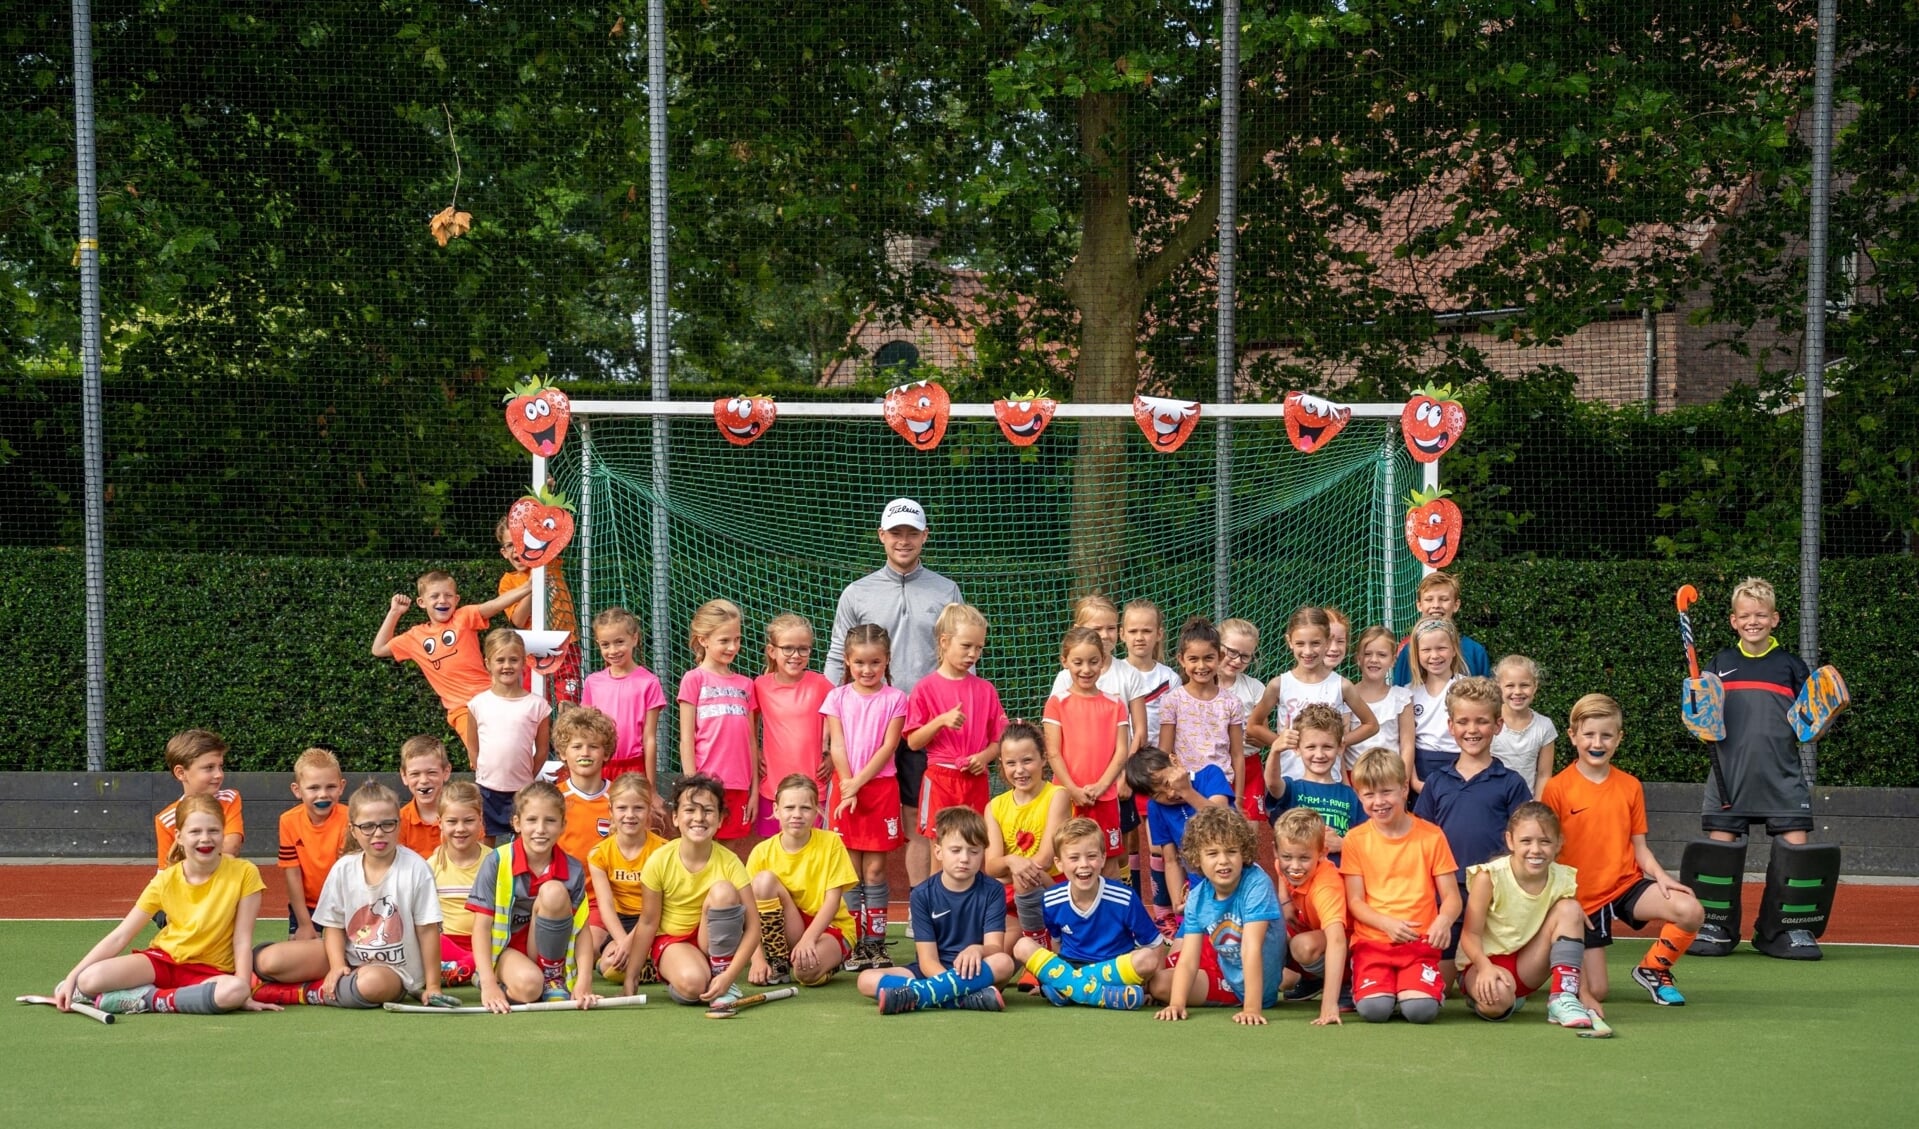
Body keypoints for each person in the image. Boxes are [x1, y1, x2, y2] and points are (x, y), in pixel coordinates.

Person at [1686, 577, 1841, 960]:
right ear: (1733, 621)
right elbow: (1701, 719)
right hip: (1728, 779)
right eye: (1744, 616)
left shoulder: (1790, 666)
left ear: (1775, 619)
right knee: (1717, 858)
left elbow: (1810, 729)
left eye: (1760, 615)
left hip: (1782, 777)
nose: (1752, 621)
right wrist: (1696, 714)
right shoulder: (1719, 664)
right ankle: (1716, 927)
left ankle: (1784, 932)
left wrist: (1824, 719)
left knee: (1797, 854)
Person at [823, 497, 963, 898]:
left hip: (925, 725)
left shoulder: (946, 589)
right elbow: (837, 655)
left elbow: (959, 653)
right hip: (865, 728)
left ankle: (922, 905)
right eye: (896, 533)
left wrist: (962, 708)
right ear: (882, 536)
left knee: (920, 818)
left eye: (912, 533)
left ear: (925, 537)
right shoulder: (856, 592)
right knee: (857, 811)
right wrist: (828, 725)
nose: (904, 541)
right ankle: (851, 919)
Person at [1541, 693, 1704, 1010]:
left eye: (1606, 735)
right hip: (1581, 898)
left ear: (1619, 738)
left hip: (1626, 886)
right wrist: (1563, 901)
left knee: (1690, 910)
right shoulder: (1556, 789)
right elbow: (1549, 855)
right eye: (1588, 734)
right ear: (1573, 736)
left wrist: (1661, 877)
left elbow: (1639, 847)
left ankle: (1654, 969)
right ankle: (1559, 961)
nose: (1597, 742)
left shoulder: (1630, 786)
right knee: (1597, 991)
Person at [53, 794, 271, 1016]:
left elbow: (242, 939)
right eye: (195, 832)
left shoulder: (245, 872)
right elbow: (121, 935)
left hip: (210, 972)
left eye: (213, 830)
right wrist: (73, 976)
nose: (205, 838)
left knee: (234, 990)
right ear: (179, 837)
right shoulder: (165, 880)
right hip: (162, 963)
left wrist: (245, 993)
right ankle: (160, 996)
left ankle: (147, 998)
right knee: (89, 979)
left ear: (223, 833)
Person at [252, 781, 447, 1008]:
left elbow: (428, 931)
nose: (378, 833)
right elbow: (333, 926)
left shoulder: (416, 868)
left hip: (394, 971)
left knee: (371, 984)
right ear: (353, 829)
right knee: (268, 961)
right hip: (347, 956)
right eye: (368, 826)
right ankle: (278, 984)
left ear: (399, 824)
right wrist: (336, 966)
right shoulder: (344, 868)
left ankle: (306, 993)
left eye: (387, 824)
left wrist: (432, 987)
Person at [1414, 676, 1532, 989]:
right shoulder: (1436, 782)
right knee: (1437, 984)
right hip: (1445, 893)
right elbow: (1421, 839)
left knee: (1487, 981)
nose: (1472, 730)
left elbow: (1523, 842)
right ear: (1450, 726)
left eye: (1481, 721)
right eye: (1463, 722)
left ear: (1498, 725)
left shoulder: (1511, 782)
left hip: (1494, 894)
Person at [1339, 748, 1460, 1024]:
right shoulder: (1356, 840)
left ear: (1405, 788)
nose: (1379, 802)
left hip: (1419, 943)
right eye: (1369, 795)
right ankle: (1380, 986)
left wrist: (1444, 920)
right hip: (1373, 942)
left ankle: (1413, 988)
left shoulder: (1431, 836)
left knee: (1420, 1011)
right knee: (1375, 1010)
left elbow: (1452, 896)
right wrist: (1386, 924)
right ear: (1359, 796)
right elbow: (1355, 902)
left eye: (1386, 792)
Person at [858, 806, 1015, 1014]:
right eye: (956, 850)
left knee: (1004, 962)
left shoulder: (993, 890)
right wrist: (949, 985)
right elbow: (927, 960)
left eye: (974, 851)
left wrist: (977, 949)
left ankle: (920, 995)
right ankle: (963, 999)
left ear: (983, 853)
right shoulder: (922, 894)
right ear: (939, 851)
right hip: (931, 971)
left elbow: (994, 947)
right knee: (865, 979)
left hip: (976, 971)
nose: (965, 858)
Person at [1457, 802, 1594, 1028]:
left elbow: (1572, 941)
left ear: (1559, 843)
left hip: (1527, 966)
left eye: (1545, 841)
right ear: (1510, 840)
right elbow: (1470, 934)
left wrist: (1586, 993)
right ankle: (1485, 996)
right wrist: (1485, 968)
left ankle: (1563, 998)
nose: (1536, 850)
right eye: (1526, 841)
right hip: (1483, 964)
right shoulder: (1489, 877)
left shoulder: (1563, 879)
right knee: (1497, 1001)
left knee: (1571, 909)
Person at [371, 569, 529, 763]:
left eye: (448, 595)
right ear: (422, 602)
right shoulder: (414, 637)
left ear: (456, 599)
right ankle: (488, 788)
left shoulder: (463, 618)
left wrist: (528, 588)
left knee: (513, 748)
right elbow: (378, 649)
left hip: (492, 698)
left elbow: (494, 605)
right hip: (461, 709)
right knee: (482, 756)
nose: (442, 600)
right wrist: (394, 613)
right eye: (435, 596)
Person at [628, 774, 760, 1007]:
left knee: (724, 892)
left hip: (710, 942)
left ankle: (721, 977)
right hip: (673, 940)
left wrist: (729, 977)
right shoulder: (659, 861)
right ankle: (692, 979)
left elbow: (753, 927)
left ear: (720, 820)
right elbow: (648, 922)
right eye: (690, 810)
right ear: (676, 818)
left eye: (708, 811)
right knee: (692, 986)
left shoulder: (730, 862)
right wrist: (631, 978)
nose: (699, 818)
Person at [468, 781, 599, 1011]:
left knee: (554, 891)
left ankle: (552, 977)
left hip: (547, 951)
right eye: (532, 820)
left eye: (550, 821)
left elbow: (582, 930)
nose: (540, 829)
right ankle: (493, 976)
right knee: (529, 987)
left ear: (562, 825)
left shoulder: (574, 868)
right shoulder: (497, 862)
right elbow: (481, 927)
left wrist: (584, 981)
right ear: (517, 823)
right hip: (505, 950)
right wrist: (489, 985)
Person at [1149, 805, 1284, 1026]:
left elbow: (1251, 948)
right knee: (1160, 984)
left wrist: (1251, 1008)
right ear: (1197, 858)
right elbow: (1189, 959)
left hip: (1256, 986)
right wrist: (1176, 1004)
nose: (1223, 860)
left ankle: (1287, 977)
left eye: (1231, 851)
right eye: (1212, 853)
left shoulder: (1257, 884)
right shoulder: (1198, 896)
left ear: (1243, 852)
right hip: (1225, 972)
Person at [823, 623, 909, 970]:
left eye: (875, 662)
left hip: (878, 789)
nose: (867, 670)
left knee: (875, 871)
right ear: (847, 661)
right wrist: (847, 785)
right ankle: (853, 943)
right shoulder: (837, 698)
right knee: (850, 872)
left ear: (886, 661)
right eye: (859, 663)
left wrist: (857, 784)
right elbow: (837, 744)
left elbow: (889, 746)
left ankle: (875, 944)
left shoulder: (896, 699)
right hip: (845, 791)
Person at [1014, 817, 1164, 1010]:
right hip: (1069, 966)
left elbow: (1155, 943)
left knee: (1147, 958)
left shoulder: (1124, 897)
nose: (1084, 864)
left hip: (1115, 970)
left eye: (1091, 856)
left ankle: (1067, 990)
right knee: (1022, 945)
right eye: (1074, 858)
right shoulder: (1052, 899)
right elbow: (1057, 945)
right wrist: (1055, 972)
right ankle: (1100, 995)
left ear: (1103, 858)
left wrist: (1153, 988)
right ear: (1059, 863)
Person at [747, 776, 858, 986]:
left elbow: (832, 901)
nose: (796, 815)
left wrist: (809, 939)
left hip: (828, 927)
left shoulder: (831, 843)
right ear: (776, 809)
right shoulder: (761, 852)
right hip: (790, 927)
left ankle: (834, 958)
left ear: (816, 810)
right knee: (763, 881)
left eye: (805, 808)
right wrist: (757, 960)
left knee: (805, 973)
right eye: (789, 807)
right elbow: (748, 913)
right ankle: (778, 961)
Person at [1246, 606, 1378, 784]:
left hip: (1329, 782)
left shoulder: (1341, 685)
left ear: (1326, 641)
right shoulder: (1279, 684)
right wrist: (1280, 742)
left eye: (1315, 643)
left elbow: (1371, 724)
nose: (1307, 652)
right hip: (1289, 780)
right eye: (1300, 643)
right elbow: (1253, 725)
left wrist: (1340, 741)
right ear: (1289, 641)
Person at [904, 603, 1006, 829]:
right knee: (940, 847)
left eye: (979, 648)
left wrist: (983, 758)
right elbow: (913, 741)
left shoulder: (986, 689)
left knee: (975, 845)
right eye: (966, 646)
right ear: (944, 641)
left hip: (975, 781)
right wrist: (941, 721)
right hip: (940, 779)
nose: (973, 654)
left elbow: (999, 740)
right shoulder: (924, 688)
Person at [1044, 625, 1132, 869]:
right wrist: (1072, 789)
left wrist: (1102, 786)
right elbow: (1053, 752)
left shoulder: (1115, 703)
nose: (1086, 669)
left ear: (1102, 661)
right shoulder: (1057, 703)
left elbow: (1121, 751)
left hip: (1104, 797)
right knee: (1066, 861)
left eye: (1093, 662)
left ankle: (1110, 908)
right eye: (1078, 662)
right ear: (1065, 662)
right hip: (1066, 797)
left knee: (1109, 864)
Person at [677, 598, 761, 845]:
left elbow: (751, 743)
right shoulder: (694, 679)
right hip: (706, 786)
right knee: (703, 851)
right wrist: (692, 787)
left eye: (737, 639)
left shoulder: (747, 685)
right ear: (703, 640)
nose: (732, 647)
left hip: (739, 787)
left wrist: (753, 791)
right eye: (724, 640)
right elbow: (686, 739)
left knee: (730, 853)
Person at [985, 720, 1071, 950]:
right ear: (1001, 764)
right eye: (1011, 763)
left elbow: (1044, 859)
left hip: (1050, 887)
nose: (1019, 770)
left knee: (1024, 880)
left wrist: (1009, 870)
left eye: (1027, 761)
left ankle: (1040, 956)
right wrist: (1011, 861)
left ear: (1043, 759)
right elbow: (991, 866)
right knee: (996, 959)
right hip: (1011, 894)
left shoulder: (1057, 796)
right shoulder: (994, 806)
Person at [1125, 746, 1232, 922]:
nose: (1171, 794)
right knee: (1180, 948)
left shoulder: (1210, 776)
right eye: (1159, 794)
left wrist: (1186, 791)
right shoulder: (1156, 808)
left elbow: (1221, 820)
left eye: (1168, 783)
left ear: (1174, 762)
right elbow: (1172, 859)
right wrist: (1176, 901)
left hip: (1236, 881)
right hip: (1200, 892)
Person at [468, 627, 553, 842]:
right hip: (487, 790)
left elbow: (542, 750)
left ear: (524, 662)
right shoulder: (478, 704)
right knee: (486, 844)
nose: (507, 666)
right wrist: (485, 772)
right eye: (500, 660)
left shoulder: (538, 706)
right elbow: (472, 745)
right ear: (488, 663)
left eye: (513, 660)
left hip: (522, 790)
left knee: (525, 844)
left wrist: (526, 776)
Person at [1155, 616, 1246, 811]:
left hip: (1220, 785)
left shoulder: (1232, 702)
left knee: (1218, 836)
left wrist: (1238, 797)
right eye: (1193, 659)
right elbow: (1164, 752)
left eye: (1208, 658)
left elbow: (1237, 754)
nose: (1201, 666)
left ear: (1220, 657)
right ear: (1181, 659)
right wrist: (1167, 786)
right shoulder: (1172, 701)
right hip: (1185, 783)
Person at [755, 613, 834, 838]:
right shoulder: (760, 686)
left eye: (803, 649)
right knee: (773, 852)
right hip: (773, 787)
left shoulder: (821, 684)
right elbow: (748, 728)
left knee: (813, 853)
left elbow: (842, 724)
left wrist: (831, 757)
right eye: (788, 648)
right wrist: (756, 752)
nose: (795, 655)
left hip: (814, 787)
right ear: (772, 651)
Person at [587, 773, 669, 984]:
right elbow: (605, 906)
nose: (630, 815)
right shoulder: (599, 854)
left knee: (628, 962)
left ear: (649, 810)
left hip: (655, 921)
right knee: (611, 966)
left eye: (638, 808)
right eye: (622, 808)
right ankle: (651, 965)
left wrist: (634, 942)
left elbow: (659, 910)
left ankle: (657, 964)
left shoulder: (662, 851)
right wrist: (623, 941)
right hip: (621, 923)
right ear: (611, 811)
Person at [1272, 808, 1350, 1024]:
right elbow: (1281, 869)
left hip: (1352, 944)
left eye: (1305, 858)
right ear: (1276, 851)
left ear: (1322, 853)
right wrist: (1285, 900)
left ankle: (1347, 982)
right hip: (1313, 927)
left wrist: (1328, 1004)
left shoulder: (1326, 886)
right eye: (1287, 856)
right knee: (1270, 932)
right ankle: (1312, 979)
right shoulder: (1283, 863)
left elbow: (1337, 940)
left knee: (1302, 946)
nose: (1295, 866)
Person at [1263, 703, 1365, 865]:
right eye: (1311, 747)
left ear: (1340, 747)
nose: (1319, 754)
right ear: (1297, 748)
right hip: (1300, 881)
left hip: (1338, 882)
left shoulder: (1350, 795)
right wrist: (1275, 751)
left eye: (1327, 747)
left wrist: (1343, 844)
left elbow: (1366, 841)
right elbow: (1273, 783)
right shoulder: (1292, 789)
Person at [497, 512, 580, 705]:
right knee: (532, 704)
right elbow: (517, 620)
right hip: (532, 650)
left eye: (521, 543)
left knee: (568, 703)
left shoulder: (548, 562)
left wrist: (547, 494)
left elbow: (553, 527)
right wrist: (531, 587)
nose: (517, 550)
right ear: (504, 553)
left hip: (566, 645)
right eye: (510, 545)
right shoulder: (508, 582)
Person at [1050, 594, 1150, 749]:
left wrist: (1127, 768)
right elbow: (1054, 732)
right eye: (1097, 629)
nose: (1104, 635)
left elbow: (1140, 732)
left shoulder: (1130, 675)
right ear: (1078, 630)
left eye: (1111, 628)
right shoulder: (1065, 678)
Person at [580, 606, 666, 787]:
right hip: (598, 766)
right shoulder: (592, 682)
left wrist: (651, 787)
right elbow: (585, 733)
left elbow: (649, 738)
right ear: (598, 644)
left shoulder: (649, 682)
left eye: (619, 642)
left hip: (633, 768)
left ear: (634, 638)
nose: (613, 650)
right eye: (605, 644)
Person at [279, 746, 347, 940]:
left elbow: (348, 872)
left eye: (331, 787)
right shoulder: (288, 821)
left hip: (344, 904)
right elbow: (291, 874)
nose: (323, 794)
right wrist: (304, 923)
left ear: (341, 786)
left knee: (346, 955)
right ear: (297, 790)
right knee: (299, 957)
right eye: (313, 788)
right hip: (306, 906)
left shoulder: (350, 818)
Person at [152, 729, 243, 871]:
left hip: (223, 882)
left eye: (220, 766)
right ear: (181, 773)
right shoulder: (166, 820)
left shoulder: (229, 799)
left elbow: (232, 846)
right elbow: (166, 870)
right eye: (209, 768)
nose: (219, 774)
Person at [428, 781, 487, 986]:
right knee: (429, 941)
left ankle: (460, 969)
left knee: (496, 949)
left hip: (484, 941)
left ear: (480, 820)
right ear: (440, 822)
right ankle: (468, 970)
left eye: (469, 821)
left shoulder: (495, 862)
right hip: (447, 943)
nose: (460, 829)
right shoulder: (431, 866)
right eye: (452, 821)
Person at [1390, 570, 1492, 684]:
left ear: (1456, 605)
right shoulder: (1409, 651)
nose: (1436, 605)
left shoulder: (1475, 651)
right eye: (1429, 599)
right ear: (1419, 605)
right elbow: (1399, 695)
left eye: (1444, 599)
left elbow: (1486, 697)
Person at [1401, 618, 1466, 793]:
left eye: (1441, 648)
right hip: (1421, 772)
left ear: (1454, 650)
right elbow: (1406, 743)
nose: (1434, 656)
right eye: (1426, 650)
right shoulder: (1408, 694)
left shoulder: (1467, 689)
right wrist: (1413, 781)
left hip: (1459, 769)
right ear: (1417, 654)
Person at [1217, 617, 1269, 820]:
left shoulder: (1254, 687)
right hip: (1215, 765)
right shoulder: (1202, 684)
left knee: (1249, 828)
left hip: (1249, 766)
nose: (1237, 660)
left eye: (1245, 656)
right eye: (1231, 652)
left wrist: (1249, 735)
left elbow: (1261, 735)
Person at [1349, 625, 1414, 775]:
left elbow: (1407, 746)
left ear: (1392, 660)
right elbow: (1341, 745)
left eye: (1382, 655)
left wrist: (1403, 781)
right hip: (1353, 777)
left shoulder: (1402, 698)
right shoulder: (1347, 695)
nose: (1374, 660)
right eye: (1367, 654)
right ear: (1358, 658)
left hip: (1390, 778)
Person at [1491, 655, 1558, 796]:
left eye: (1524, 685)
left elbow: (1544, 775)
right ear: (1498, 686)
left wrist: (1537, 810)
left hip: (1525, 806)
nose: (1517, 692)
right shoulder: (1488, 721)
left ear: (1535, 686)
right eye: (1510, 685)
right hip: (1491, 804)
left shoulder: (1544, 726)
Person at [398, 734, 453, 856]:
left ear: (446, 772)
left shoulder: (463, 815)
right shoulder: (399, 822)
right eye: (415, 774)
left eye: (431, 772)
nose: (423, 780)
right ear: (404, 776)